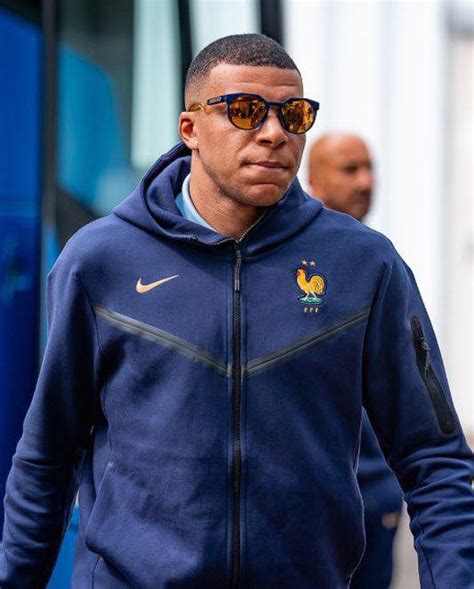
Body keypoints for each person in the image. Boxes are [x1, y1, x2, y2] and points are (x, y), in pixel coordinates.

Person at [1, 34, 473, 589]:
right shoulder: (99, 260)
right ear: (190, 128)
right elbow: (48, 456)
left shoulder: (365, 265)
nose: (274, 133)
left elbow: (434, 459)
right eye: (245, 111)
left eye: (293, 115)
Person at [308, 134, 403, 588]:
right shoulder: (292, 267)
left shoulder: (378, 261)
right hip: (311, 507)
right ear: (313, 179)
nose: (366, 182)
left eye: (369, 168)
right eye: (350, 170)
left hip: (375, 497)